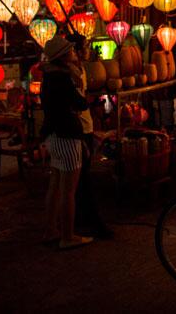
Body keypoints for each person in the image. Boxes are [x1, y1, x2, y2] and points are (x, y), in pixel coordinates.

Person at [41, 35, 93, 250]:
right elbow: (79, 103)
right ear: (64, 57)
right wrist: (79, 83)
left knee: (55, 186)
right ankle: (67, 236)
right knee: (68, 190)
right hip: (67, 135)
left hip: (52, 134)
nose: (75, 53)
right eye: (71, 51)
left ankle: (50, 230)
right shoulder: (64, 79)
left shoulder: (48, 76)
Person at [67, 38, 113, 240]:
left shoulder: (81, 69)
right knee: (81, 178)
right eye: (83, 48)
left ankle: (83, 218)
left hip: (86, 126)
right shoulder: (70, 73)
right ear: (75, 51)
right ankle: (86, 221)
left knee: (83, 175)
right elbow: (75, 103)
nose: (87, 51)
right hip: (78, 128)